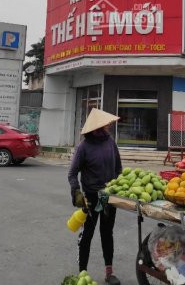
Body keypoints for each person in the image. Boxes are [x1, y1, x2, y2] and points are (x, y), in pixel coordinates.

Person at [68, 108, 122, 285]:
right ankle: (82, 273)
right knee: (87, 236)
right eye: (105, 123)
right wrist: (77, 192)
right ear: (97, 126)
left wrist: (119, 188)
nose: (108, 126)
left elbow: (119, 169)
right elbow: (72, 173)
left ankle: (109, 272)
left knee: (107, 234)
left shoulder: (110, 143)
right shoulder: (84, 146)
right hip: (91, 198)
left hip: (108, 197)